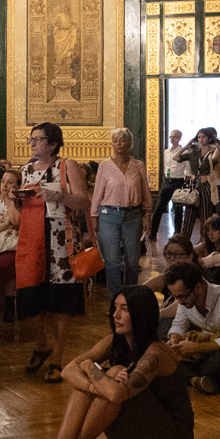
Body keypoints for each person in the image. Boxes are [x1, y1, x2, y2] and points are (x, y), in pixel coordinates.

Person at [25, 285, 191, 439]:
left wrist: (91, 369)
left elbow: (115, 395)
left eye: (125, 309)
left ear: (141, 315)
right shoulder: (115, 340)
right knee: (92, 383)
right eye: (115, 308)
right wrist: (94, 384)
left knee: (109, 375)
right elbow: (68, 369)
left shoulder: (155, 353)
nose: (115, 315)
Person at [17, 122, 90, 382]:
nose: (33, 143)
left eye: (38, 139)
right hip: (31, 240)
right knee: (30, 296)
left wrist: (58, 197)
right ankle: (41, 344)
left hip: (60, 242)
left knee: (60, 303)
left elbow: (83, 201)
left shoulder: (66, 166)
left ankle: (57, 358)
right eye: (32, 139)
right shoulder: (25, 169)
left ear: (53, 144)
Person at [161, 260, 220, 394]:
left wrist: (197, 347)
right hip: (206, 353)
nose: (179, 302)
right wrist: (174, 340)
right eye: (175, 297)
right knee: (165, 351)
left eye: (182, 297)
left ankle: (190, 376)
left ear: (198, 287)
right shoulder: (184, 301)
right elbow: (179, 324)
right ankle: (197, 380)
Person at [88, 127, 149, 306]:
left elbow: (145, 191)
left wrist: (148, 214)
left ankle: (131, 302)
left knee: (132, 261)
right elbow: (98, 192)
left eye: (123, 140)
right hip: (108, 215)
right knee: (112, 261)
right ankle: (116, 302)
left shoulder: (138, 165)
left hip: (133, 215)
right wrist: (94, 217)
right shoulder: (104, 166)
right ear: (112, 144)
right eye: (115, 141)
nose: (119, 144)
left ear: (129, 144)